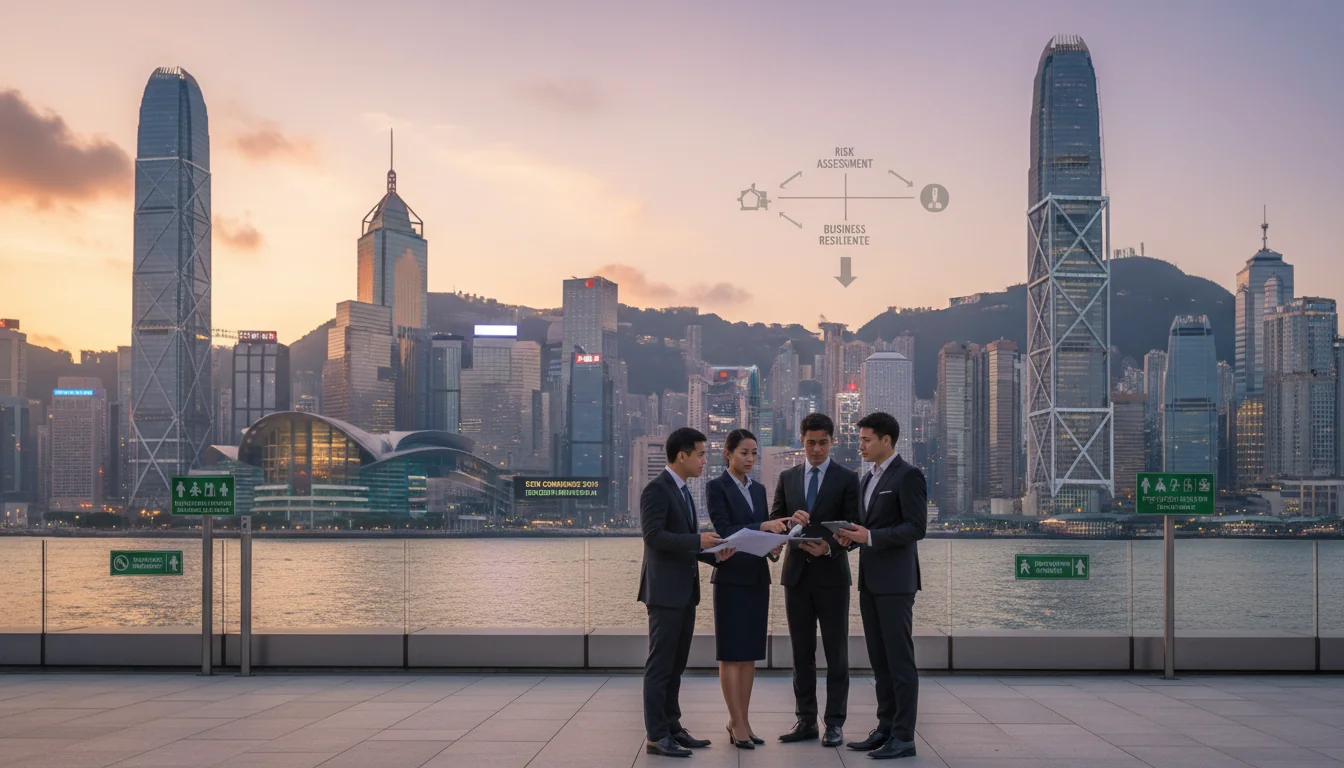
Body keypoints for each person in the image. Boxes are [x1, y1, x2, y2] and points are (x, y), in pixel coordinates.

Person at [639, 427, 737, 758]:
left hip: (684, 592)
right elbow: (654, 537)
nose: (704, 461)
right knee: (661, 665)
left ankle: (673, 726)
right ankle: (656, 735)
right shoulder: (656, 490)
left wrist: (713, 554)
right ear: (682, 456)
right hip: (665, 594)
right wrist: (698, 541)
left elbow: (680, 542)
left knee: (676, 664)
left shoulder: (683, 492)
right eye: (700, 454)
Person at [835, 412, 927, 761]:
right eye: (860, 439)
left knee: (900, 661)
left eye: (866, 440)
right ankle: (885, 727)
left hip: (896, 583)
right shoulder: (867, 479)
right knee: (879, 660)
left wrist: (870, 536)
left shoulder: (909, 475)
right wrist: (850, 539)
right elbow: (867, 529)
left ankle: (904, 736)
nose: (860, 445)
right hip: (870, 581)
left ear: (886, 440)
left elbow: (916, 528)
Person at [769, 413, 861, 748]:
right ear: (802, 441)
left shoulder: (848, 478)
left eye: (823, 443)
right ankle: (805, 720)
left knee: (836, 652)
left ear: (832, 442)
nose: (817, 449)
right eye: (810, 443)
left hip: (833, 576)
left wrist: (830, 548)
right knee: (801, 652)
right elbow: (773, 520)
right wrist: (787, 520)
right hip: (796, 576)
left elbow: (854, 526)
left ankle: (834, 723)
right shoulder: (788, 477)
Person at [706, 429, 792, 750]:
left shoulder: (759, 489)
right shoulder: (716, 487)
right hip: (729, 577)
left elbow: (760, 535)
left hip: (757, 576)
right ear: (728, 453)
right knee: (731, 655)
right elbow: (725, 530)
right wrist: (762, 527)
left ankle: (742, 719)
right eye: (744, 452)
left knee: (750, 656)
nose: (750, 459)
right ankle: (736, 723)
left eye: (754, 453)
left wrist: (773, 545)